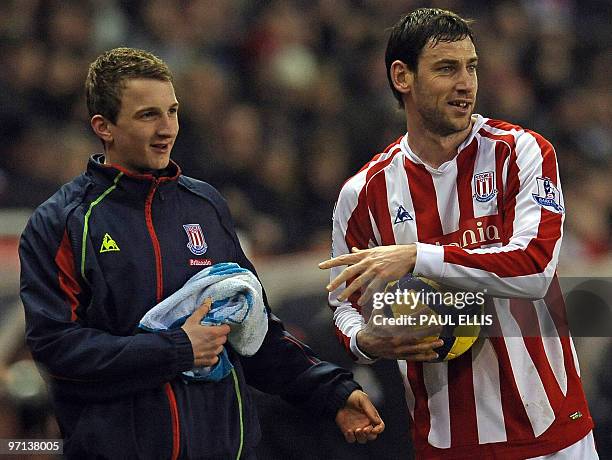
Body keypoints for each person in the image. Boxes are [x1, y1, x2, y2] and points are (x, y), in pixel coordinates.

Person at [19, 47, 384, 459]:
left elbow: (256, 333)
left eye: (171, 111)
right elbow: (58, 351)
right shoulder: (64, 223)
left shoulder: (205, 206)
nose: (166, 129)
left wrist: (332, 391)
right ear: (104, 126)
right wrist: (176, 349)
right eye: (147, 115)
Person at [319, 8, 598, 459]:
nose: (466, 83)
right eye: (447, 68)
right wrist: (363, 342)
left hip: (552, 433)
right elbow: (342, 304)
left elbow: (535, 270)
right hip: (447, 440)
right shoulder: (362, 194)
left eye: (471, 67)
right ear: (402, 77)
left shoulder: (521, 152)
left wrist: (417, 256)